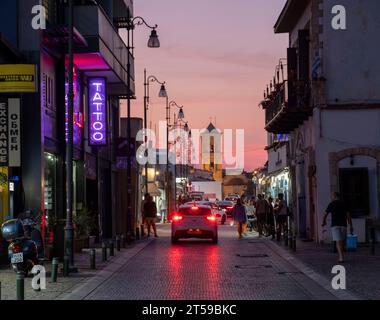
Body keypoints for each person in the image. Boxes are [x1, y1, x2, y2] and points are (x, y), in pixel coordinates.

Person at [322, 192, 353, 263]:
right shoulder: (344, 204)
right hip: (343, 225)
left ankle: (341, 257)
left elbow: (325, 214)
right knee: (342, 241)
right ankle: (341, 257)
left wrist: (324, 222)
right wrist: (351, 225)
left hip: (335, 225)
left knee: (338, 241)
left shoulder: (331, 204)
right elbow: (348, 216)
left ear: (334, 196)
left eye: (332, 196)